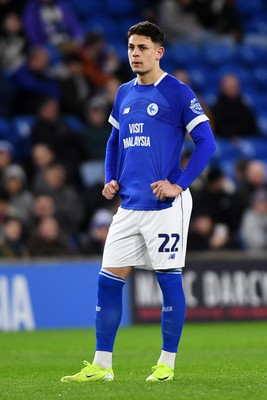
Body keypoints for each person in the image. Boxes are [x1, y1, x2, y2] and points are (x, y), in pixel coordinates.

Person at [61, 21, 216, 384]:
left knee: (168, 279)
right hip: (129, 206)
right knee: (108, 280)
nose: (135, 53)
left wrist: (178, 185)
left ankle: (167, 363)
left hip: (165, 207)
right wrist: (110, 177)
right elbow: (114, 141)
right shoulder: (123, 92)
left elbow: (206, 143)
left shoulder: (177, 92)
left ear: (159, 52)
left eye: (143, 47)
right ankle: (102, 366)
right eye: (131, 47)